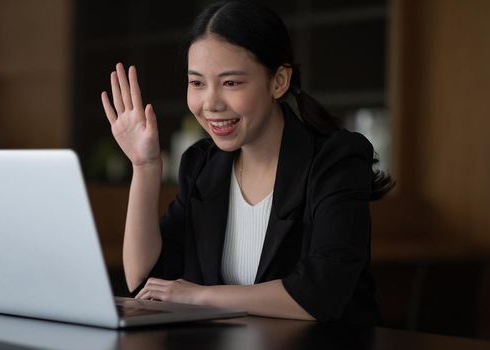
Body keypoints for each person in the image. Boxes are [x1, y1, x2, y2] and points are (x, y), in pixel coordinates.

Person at [100, 0, 393, 325]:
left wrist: (199, 296)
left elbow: (320, 293)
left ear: (279, 81)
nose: (210, 103)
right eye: (197, 83)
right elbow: (145, 281)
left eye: (231, 83)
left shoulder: (335, 160)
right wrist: (144, 167)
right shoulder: (202, 166)